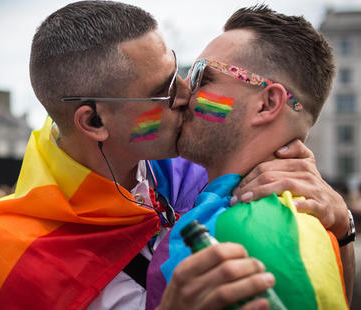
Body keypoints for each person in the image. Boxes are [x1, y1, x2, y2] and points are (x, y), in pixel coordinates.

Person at [0, 1, 353, 310]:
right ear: (95, 121)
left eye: (185, 72)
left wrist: (343, 231)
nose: (188, 94)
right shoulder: (22, 259)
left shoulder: (200, 166)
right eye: (165, 89)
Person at [147, 5, 354, 310]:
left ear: (267, 104)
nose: (182, 93)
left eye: (202, 77)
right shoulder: (231, 209)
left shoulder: (258, 231)